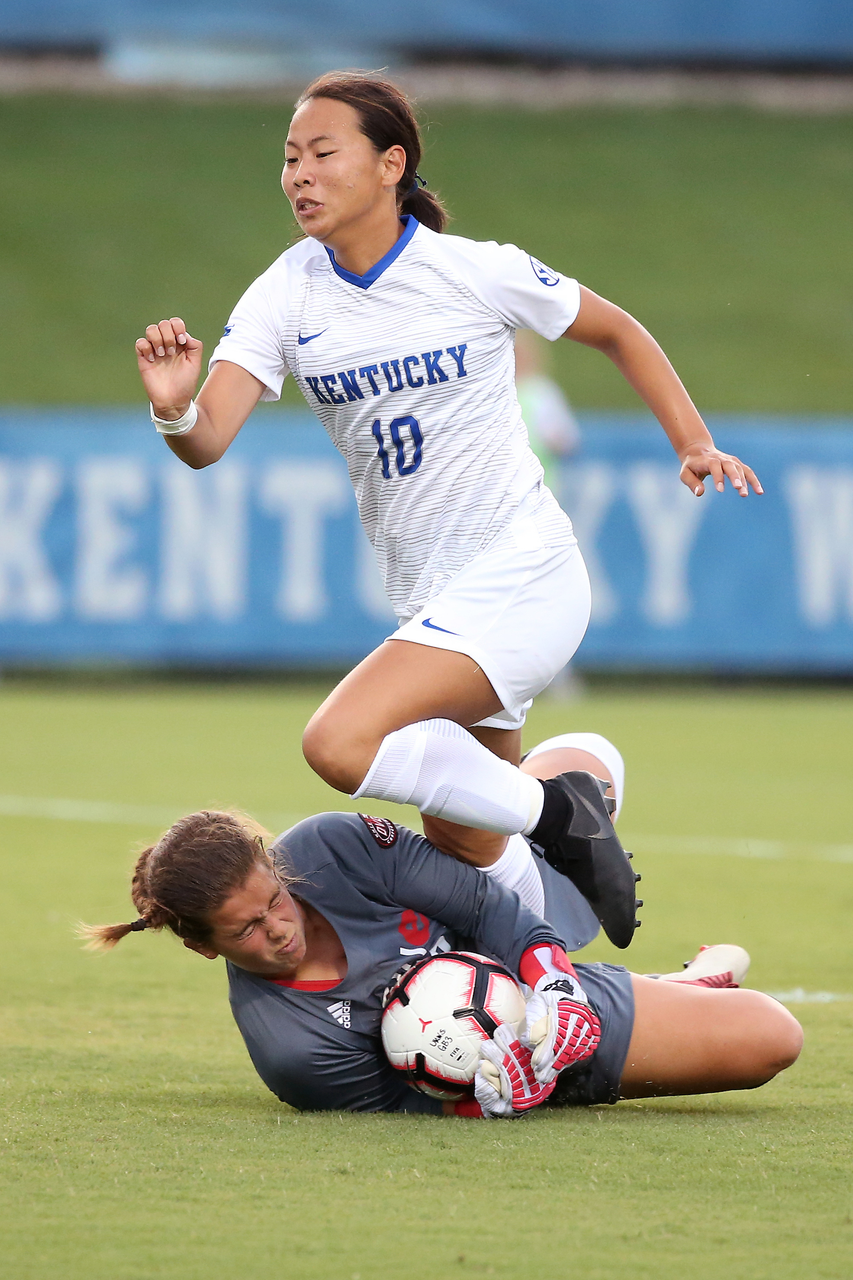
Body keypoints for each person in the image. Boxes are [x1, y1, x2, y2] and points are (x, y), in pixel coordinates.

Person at [134, 72, 763, 948]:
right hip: (434, 603)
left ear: (391, 164)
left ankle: (560, 805)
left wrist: (691, 442)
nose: (299, 175)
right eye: (289, 158)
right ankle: (557, 966)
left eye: (323, 153)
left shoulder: (470, 270)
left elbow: (615, 327)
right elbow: (207, 442)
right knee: (466, 843)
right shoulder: (283, 294)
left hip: (522, 572)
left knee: (339, 745)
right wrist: (173, 408)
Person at [82, 735, 801, 1119]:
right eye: (243, 931)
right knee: (772, 1038)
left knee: (587, 757)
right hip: (522, 1062)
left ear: (274, 865)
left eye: (274, 900)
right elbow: (412, 1110)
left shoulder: (328, 846)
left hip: (521, 955)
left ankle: (549, 829)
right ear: (202, 947)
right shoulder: (294, 1053)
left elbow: (483, 906)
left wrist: (554, 982)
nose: (276, 929)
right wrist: (498, 1095)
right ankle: (670, 988)